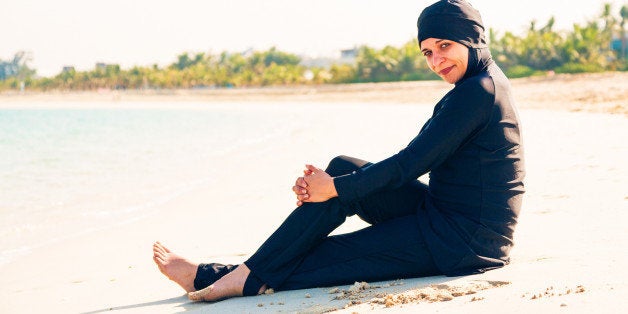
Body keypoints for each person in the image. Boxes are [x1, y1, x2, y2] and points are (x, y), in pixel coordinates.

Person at [152, 0, 525, 302]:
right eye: (427, 52)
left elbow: (410, 164)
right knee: (342, 167)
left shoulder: (479, 92)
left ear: (472, 39)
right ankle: (244, 272)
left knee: (332, 252)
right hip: (444, 216)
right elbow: (410, 163)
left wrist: (335, 190)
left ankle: (225, 276)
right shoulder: (478, 84)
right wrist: (335, 184)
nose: (436, 60)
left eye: (444, 46)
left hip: (463, 243)